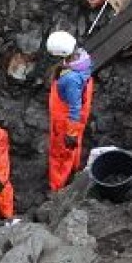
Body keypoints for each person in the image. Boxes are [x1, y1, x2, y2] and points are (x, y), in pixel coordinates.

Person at [46, 30, 94, 191]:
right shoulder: (82, 58)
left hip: (66, 120)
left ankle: (57, 188)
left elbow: (74, 107)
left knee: (60, 154)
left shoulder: (70, 79)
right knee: (73, 147)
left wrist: (70, 132)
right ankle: (74, 168)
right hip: (77, 115)